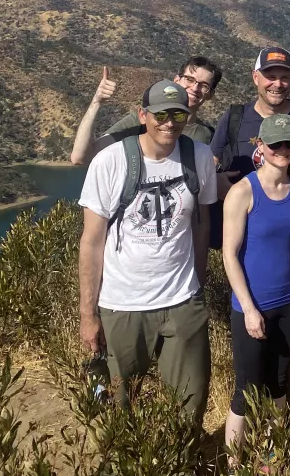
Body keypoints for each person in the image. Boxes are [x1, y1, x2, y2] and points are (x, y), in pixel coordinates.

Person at [77, 80, 217, 424]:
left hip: (183, 301)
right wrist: (88, 314)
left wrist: (198, 284)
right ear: (143, 115)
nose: (170, 121)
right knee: (120, 404)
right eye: (161, 114)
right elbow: (91, 242)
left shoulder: (198, 156)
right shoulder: (111, 161)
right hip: (123, 305)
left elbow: (201, 226)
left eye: (178, 114)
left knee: (190, 401)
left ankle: (183, 462)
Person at [211, 46, 290, 402]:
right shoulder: (234, 119)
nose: (277, 83)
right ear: (256, 78)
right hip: (249, 248)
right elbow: (214, 170)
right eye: (270, 75)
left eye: (284, 76)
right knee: (254, 333)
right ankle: (257, 404)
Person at [222, 114, 290, 458]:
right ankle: (235, 463)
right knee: (244, 390)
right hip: (252, 307)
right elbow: (230, 256)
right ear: (260, 145)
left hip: (289, 301)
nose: (283, 150)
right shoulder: (242, 193)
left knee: (279, 382)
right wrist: (248, 309)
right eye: (275, 144)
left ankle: (272, 454)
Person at [70, 56, 222, 164]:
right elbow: (81, 158)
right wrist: (96, 102)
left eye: (203, 85)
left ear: (210, 95)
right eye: (189, 79)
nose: (195, 88)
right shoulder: (142, 121)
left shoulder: (207, 135)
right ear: (176, 80)